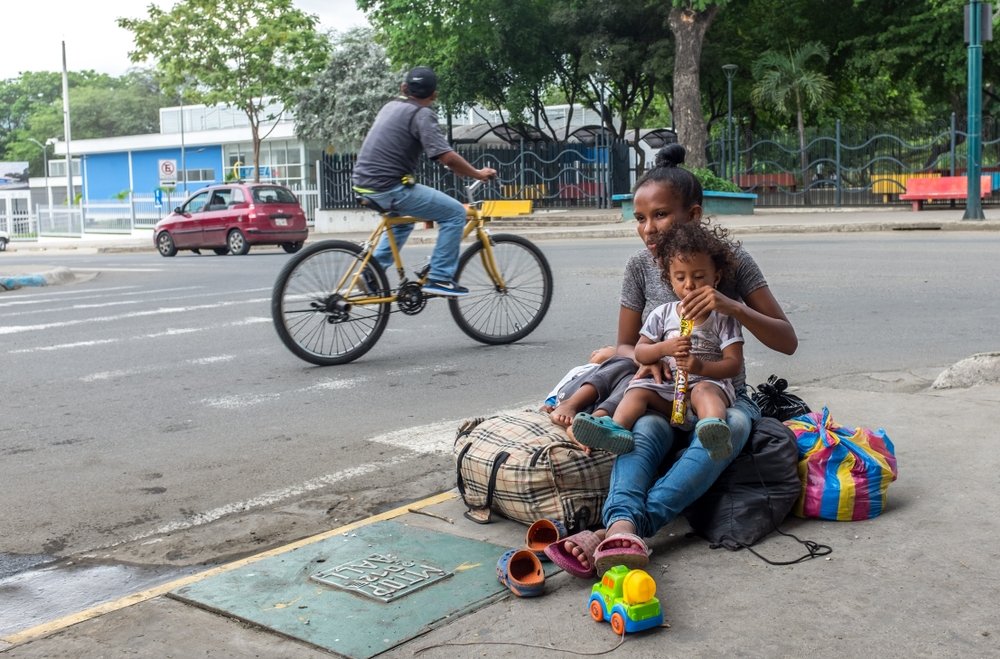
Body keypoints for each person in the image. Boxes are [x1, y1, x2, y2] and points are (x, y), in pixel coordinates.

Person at [543, 143, 798, 578]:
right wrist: (653, 359)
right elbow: (627, 347)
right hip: (663, 394)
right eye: (640, 218)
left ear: (693, 215)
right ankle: (624, 524)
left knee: (733, 424)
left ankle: (625, 528)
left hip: (716, 395)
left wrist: (732, 306)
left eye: (660, 215)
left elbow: (787, 341)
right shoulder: (640, 267)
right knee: (642, 427)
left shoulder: (729, 264)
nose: (648, 228)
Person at [571, 221, 745, 460]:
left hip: (707, 386)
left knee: (704, 390)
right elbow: (641, 352)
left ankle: (713, 431)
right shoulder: (662, 314)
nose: (689, 285)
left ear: (716, 277)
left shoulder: (723, 318)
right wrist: (663, 348)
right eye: (680, 277)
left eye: (699, 276)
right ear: (670, 280)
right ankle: (615, 430)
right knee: (638, 391)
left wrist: (700, 367)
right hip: (669, 391)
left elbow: (733, 363)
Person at [351, 66, 497, 297]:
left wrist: (459, 168)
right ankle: (439, 278)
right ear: (434, 95)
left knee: (403, 223)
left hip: (364, 183)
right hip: (389, 188)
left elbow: (429, 151)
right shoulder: (421, 113)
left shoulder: (391, 106)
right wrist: (477, 173)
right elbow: (446, 155)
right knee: (455, 214)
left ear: (404, 88)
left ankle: (371, 273)